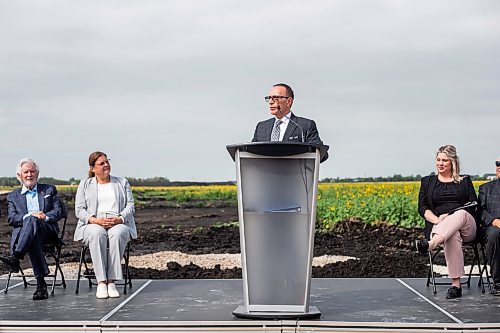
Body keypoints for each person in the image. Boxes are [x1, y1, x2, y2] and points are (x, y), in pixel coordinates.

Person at [415, 145, 478, 299]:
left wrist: (450, 216)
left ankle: (430, 244)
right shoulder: (427, 182)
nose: (440, 163)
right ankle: (456, 286)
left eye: (445, 160)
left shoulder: (464, 180)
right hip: (442, 227)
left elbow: (474, 204)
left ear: (452, 162)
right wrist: (438, 220)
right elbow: (422, 208)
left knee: (460, 213)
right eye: (438, 160)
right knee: (452, 233)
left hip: (467, 226)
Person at [74, 151, 137, 299]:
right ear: (92, 168)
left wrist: (119, 218)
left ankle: (111, 281)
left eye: (107, 161)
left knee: (118, 233)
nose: (106, 165)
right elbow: (79, 210)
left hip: (118, 220)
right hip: (93, 221)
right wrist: (94, 220)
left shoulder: (122, 182)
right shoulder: (84, 184)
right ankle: (101, 281)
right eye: (101, 163)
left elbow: (130, 206)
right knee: (97, 234)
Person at [0, 158, 63, 300]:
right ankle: (41, 285)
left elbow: (58, 212)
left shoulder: (48, 189)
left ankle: (15, 257)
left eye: (32, 171)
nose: (29, 175)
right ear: (19, 176)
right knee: (32, 229)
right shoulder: (13, 196)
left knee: (33, 221)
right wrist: (30, 216)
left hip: (47, 230)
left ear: (37, 173)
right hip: (28, 235)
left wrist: (44, 216)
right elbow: (12, 218)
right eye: (26, 172)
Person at [252, 83, 328, 161]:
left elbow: (321, 154)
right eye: (269, 98)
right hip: (265, 172)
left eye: (275, 98)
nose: (271, 102)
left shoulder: (304, 126)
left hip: (295, 172)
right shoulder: (261, 127)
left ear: (289, 101)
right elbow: (251, 154)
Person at [478, 155, 500, 295]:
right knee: (494, 235)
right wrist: (494, 221)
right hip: (493, 227)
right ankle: (498, 282)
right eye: (497, 163)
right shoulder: (486, 188)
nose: (499, 166)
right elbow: (480, 211)